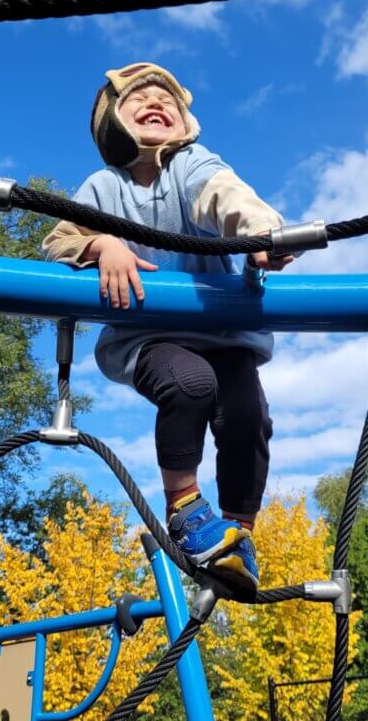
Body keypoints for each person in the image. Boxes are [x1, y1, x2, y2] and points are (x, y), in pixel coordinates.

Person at [43, 62, 293, 592]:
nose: (157, 103)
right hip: (149, 335)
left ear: (184, 123)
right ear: (111, 122)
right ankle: (184, 507)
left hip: (220, 329)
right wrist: (101, 244)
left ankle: (237, 534)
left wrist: (260, 231)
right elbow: (58, 239)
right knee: (190, 384)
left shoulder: (192, 166)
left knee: (248, 412)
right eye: (140, 100)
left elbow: (223, 194)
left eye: (169, 101)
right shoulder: (103, 187)